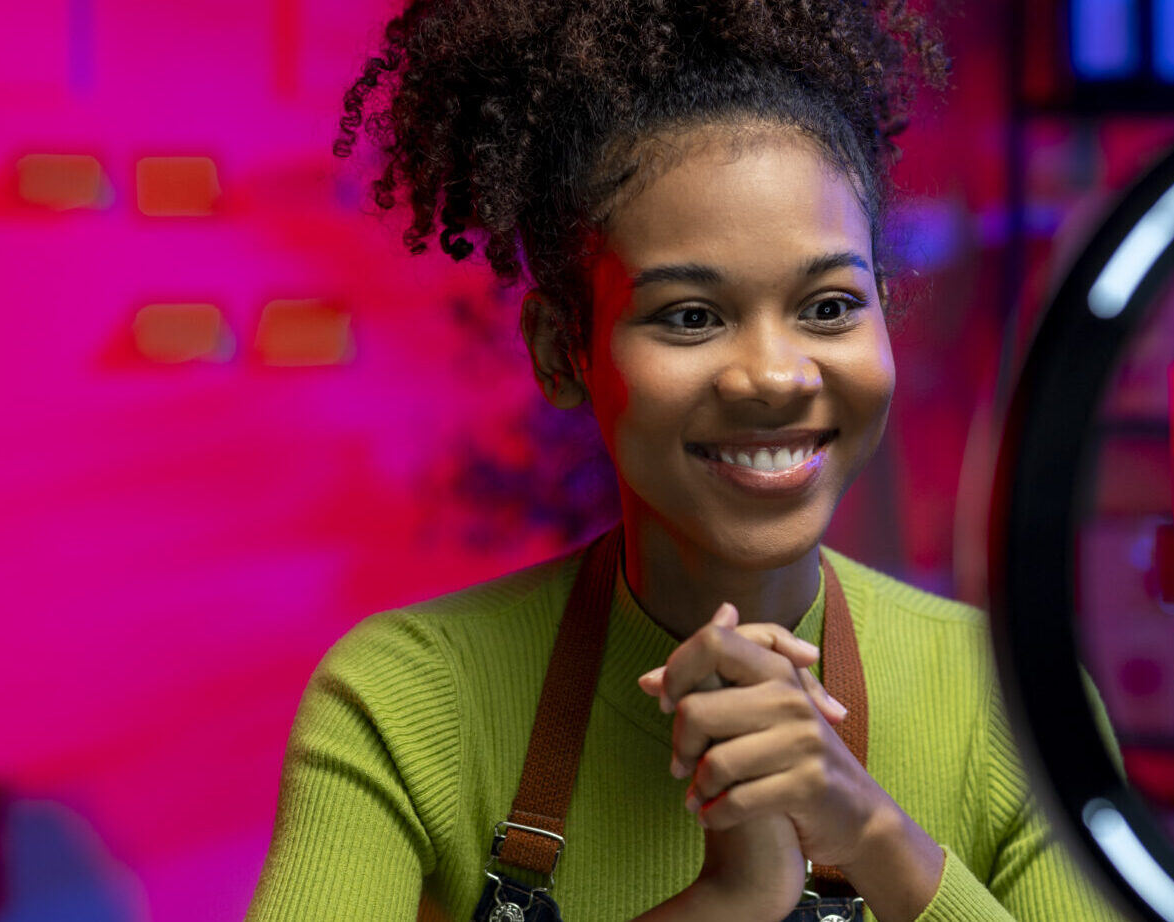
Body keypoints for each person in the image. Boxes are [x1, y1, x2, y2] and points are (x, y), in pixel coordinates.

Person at [248, 2, 1117, 920]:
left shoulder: (1009, 702)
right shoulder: (404, 701)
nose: (774, 376)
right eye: (691, 316)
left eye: (829, 306)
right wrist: (733, 898)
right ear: (562, 351)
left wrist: (873, 837)